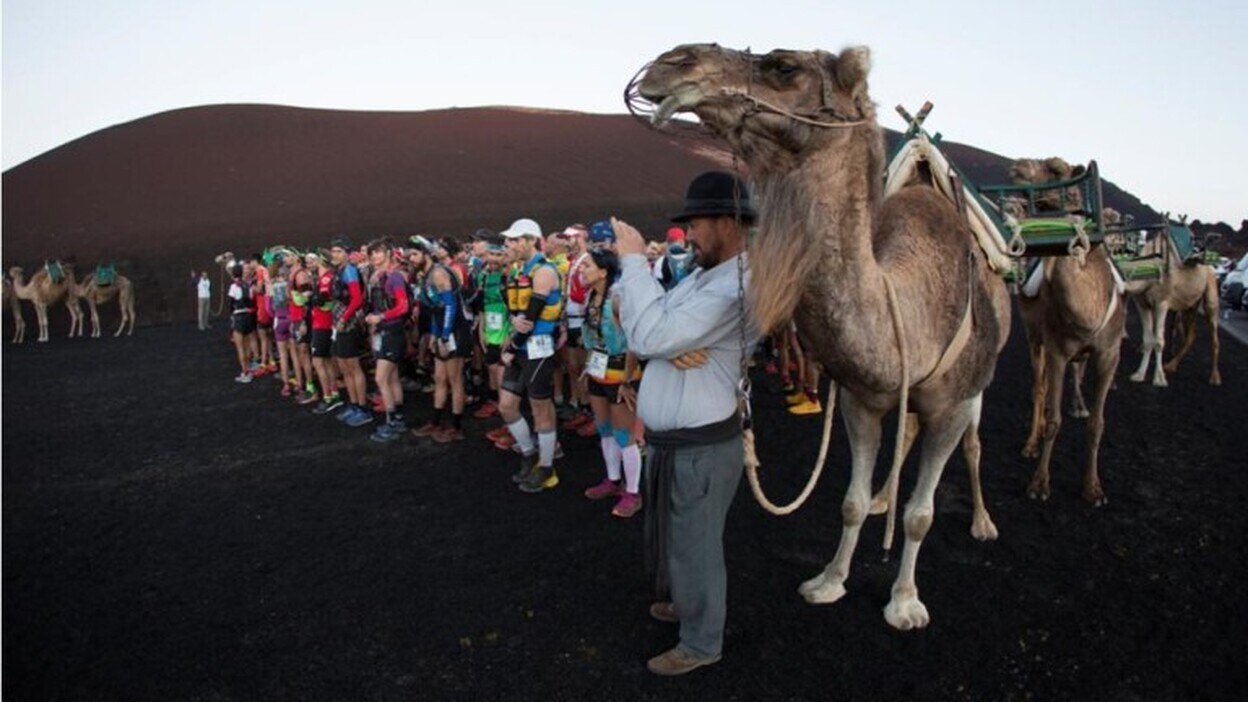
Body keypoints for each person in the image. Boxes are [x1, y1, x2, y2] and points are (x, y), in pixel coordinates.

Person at [612, 170, 758, 676]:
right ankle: (687, 603)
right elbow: (636, 326)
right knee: (675, 536)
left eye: (695, 223)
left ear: (727, 222)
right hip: (674, 442)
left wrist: (633, 262)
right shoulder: (702, 276)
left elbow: (648, 333)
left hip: (702, 446)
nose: (688, 235)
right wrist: (663, 348)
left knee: (695, 544)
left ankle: (700, 642)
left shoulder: (738, 285)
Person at [497, 217, 564, 493]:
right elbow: (517, 317)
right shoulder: (518, 271)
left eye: (513, 240)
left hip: (537, 348)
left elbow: (530, 319)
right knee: (507, 406)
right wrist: (512, 337)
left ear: (529, 241)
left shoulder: (544, 272)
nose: (507, 245)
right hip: (522, 347)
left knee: (540, 408)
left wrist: (512, 346)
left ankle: (547, 468)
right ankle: (528, 454)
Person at [578, 247, 643, 518]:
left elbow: (634, 344)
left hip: (619, 376)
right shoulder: (590, 298)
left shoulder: (618, 299)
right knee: (604, 430)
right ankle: (613, 480)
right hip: (597, 372)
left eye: (587, 266)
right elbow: (593, 337)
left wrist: (627, 381)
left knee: (623, 435)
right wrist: (587, 367)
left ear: (603, 272)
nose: (581, 270)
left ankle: (633, 492)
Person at [364, 239, 412, 442]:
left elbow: (403, 306)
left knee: (381, 379)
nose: (374, 256)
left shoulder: (394, 278)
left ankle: (391, 421)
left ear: (389, 254)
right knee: (391, 378)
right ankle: (398, 418)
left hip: (391, 333)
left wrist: (380, 317)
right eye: (372, 253)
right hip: (386, 332)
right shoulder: (380, 277)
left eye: (379, 252)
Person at [328, 237, 372, 427]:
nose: (334, 254)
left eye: (338, 251)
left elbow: (356, 300)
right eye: (333, 251)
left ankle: (362, 407)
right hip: (338, 323)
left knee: (353, 367)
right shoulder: (340, 272)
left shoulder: (349, 271)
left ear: (347, 254)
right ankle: (354, 404)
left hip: (348, 323)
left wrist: (344, 319)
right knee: (344, 366)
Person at [226, 263, 258, 383]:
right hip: (248, 316)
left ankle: (245, 372)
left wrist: (232, 314)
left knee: (240, 348)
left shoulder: (234, 286)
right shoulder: (248, 286)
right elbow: (250, 301)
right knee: (247, 345)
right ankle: (249, 367)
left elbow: (231, 303)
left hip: (239, 317)